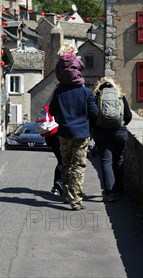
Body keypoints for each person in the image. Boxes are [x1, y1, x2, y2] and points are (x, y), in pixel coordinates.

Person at [49, 82, 98, 210]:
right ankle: (75, 200)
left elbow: (52, 111)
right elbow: (95, 113)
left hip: (64, 133)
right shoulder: (86, 92)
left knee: (66, 163)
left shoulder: (59, 91)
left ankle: (66, 194)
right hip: (81, 133)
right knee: (78, 165)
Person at [92, 76, 132, 202]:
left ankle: (109, 193)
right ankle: (119, 189)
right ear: (115, 85)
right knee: (119, 159)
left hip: (102, 133)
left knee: (106, 161)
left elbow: (92, 115)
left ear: (100, 85)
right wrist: (120, 123)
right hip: (119, 132)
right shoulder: (120, 96)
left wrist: (96, 127)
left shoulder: (97, 96)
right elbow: (128, 116)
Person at [36, 104, 63, 195]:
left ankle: (56, 186)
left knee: (60, 161)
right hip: (57, 134)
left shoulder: (51, 105)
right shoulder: (61, 105)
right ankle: (59, 184)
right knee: (63, 161)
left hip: (49, 135)